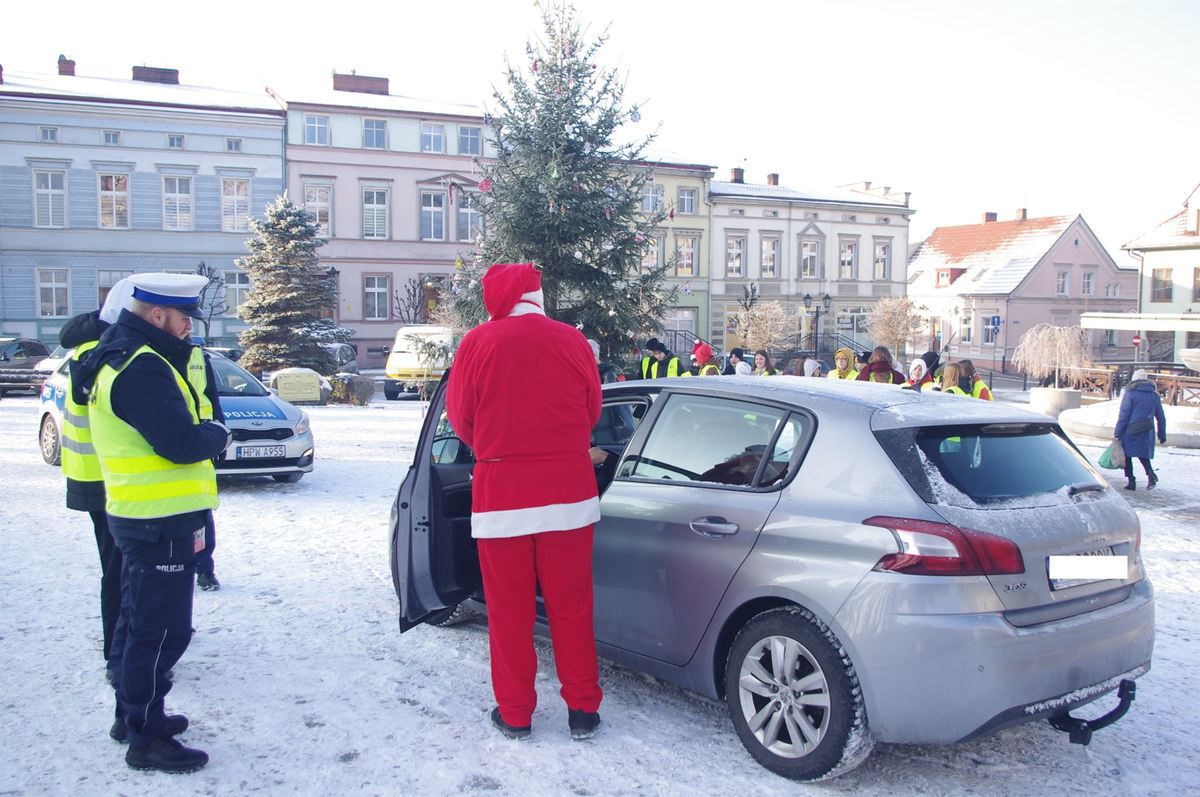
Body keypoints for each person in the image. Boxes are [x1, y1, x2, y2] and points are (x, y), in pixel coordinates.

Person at [75, 273, 231, 773]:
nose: (189, 328)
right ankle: (146, 736)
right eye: (184, 317)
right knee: (161, 633)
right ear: (157, 315)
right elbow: (181, 442)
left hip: (143, 515)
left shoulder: (125, 355)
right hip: (158, 521)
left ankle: (134, 715)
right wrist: (217, 435)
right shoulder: (141, 367)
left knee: (136, 625)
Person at [446, 263, 604, 742]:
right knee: (572, 605)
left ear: (497, 296)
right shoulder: (572, 340)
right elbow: (592, 409)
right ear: (537, 295)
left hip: (502, 496)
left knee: (508, 610)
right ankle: (583, 710)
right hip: (569, 494)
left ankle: (515, 712)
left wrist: (497, 449)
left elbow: (461, 418)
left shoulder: (478, 342)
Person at [59, 281, 130, 684]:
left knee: (115, 569)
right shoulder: (107, 359)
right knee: (121, 574)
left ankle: (117, 650)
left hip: (91, 477)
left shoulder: (84, 353)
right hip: (112, 480)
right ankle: (117, 654)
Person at [1115, 369, 1167, 491]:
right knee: (1143, 454)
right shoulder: (1154, 395)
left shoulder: (1130, 393)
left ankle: (1131, 481)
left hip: (1130, 430)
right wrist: (1162, 433)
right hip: (1147, 430)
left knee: (1127, 455)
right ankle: (1151, 475)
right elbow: (1160, 416)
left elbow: (1124, 414)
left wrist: (1117, 432)